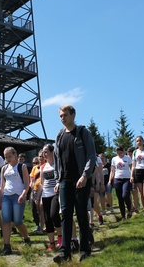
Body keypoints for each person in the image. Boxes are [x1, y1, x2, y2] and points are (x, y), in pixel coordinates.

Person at [53, 105, 97, 263]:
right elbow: (57, 160)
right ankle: (65, 252)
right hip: (65, 181)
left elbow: (91, 156)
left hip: (80, 181)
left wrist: (85, 175)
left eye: (65, 115)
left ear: (73, 115)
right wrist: (58, 180)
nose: (62, 118)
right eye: (60, 116)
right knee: (65, 216)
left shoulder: (82, 132)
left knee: (81, 215)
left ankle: (85, 250)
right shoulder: (59, 136)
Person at [0, 147, 31, 255]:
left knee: (17, 221)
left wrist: (23, 194)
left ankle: (26, 238)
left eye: (9, 156)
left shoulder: (22, 166)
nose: (8, 158)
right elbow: (2, 186)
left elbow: (27, 184)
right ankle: (7, 245)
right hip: (6, 196)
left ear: (15, 155)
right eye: (6, 157)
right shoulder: (4, 168)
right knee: (5, 221)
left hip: (18, 195)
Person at [37, 144, 62, 252]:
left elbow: (61, 177)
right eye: (43, 152)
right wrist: (39, 197)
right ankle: (52, 243)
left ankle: (61, 238)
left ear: (52, 152)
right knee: (47, 219)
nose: (44, 154)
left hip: (55, 193)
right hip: (45, 194)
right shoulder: (43, 167)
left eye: (46, 151)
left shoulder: (58, 164)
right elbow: (42, 183)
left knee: (54, 214)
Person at [108, 146, 132, 220]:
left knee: (125, 195)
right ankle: (123, 216)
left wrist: (132, 176)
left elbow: (131, 168)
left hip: (126, 179)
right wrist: (110, 180)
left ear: (123, 151)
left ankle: (129, 209)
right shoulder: (114, 159)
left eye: (120, 153)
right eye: (118, 153)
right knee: (120, 198)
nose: (119, 154)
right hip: (117, 179)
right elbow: (112, 170)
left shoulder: (127, 158)